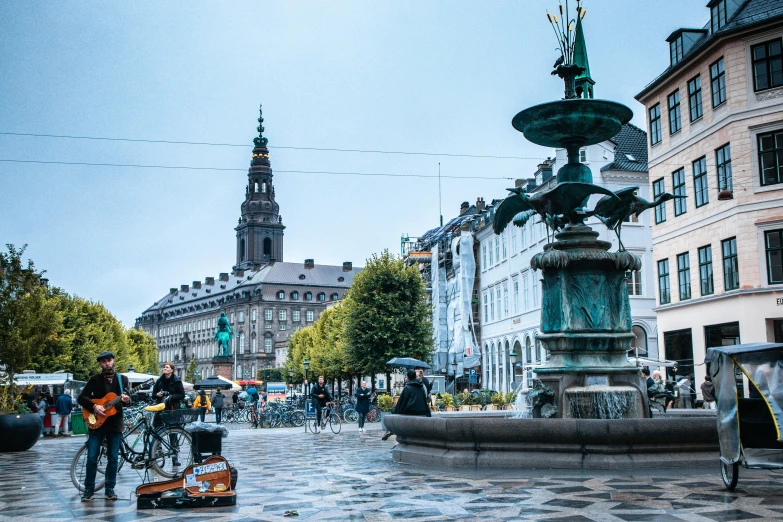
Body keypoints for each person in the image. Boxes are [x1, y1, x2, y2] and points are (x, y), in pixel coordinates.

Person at [76, 351, 130, 501]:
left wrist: (126, 400)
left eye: (109, 360)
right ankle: (89, 489)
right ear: (100, 364)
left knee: (113, 458)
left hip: (115, 423)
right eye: (103, 361)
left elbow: (129, 400)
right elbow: (81, 398)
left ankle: (110, 489)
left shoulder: (122, 380)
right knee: (92, 457)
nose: (106, 363)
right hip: (97, 423)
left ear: (113, 361)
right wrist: (94, 407)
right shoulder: (94, 379)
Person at [152, 362, 185, 466]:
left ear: (172, 370)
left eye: (167, 367)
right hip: (160, 407)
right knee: (157, 429)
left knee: (173, 432)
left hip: (172, 408)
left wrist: (170, 397)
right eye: (164, 367)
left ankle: (175, 456)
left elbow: (182, 395)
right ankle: (157, 451)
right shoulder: (159, 381)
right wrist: (157, 395)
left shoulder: (177, 381)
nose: (165, 369)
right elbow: (153, 395)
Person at [382, 370, 431, 440]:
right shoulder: (421, 386)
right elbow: (425, 398)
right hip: (422, 410)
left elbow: (402, 401)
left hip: (410, 410)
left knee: (396, 413)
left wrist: (396, 410)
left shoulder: (408, 387)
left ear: (408, 377)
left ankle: (391, 430)